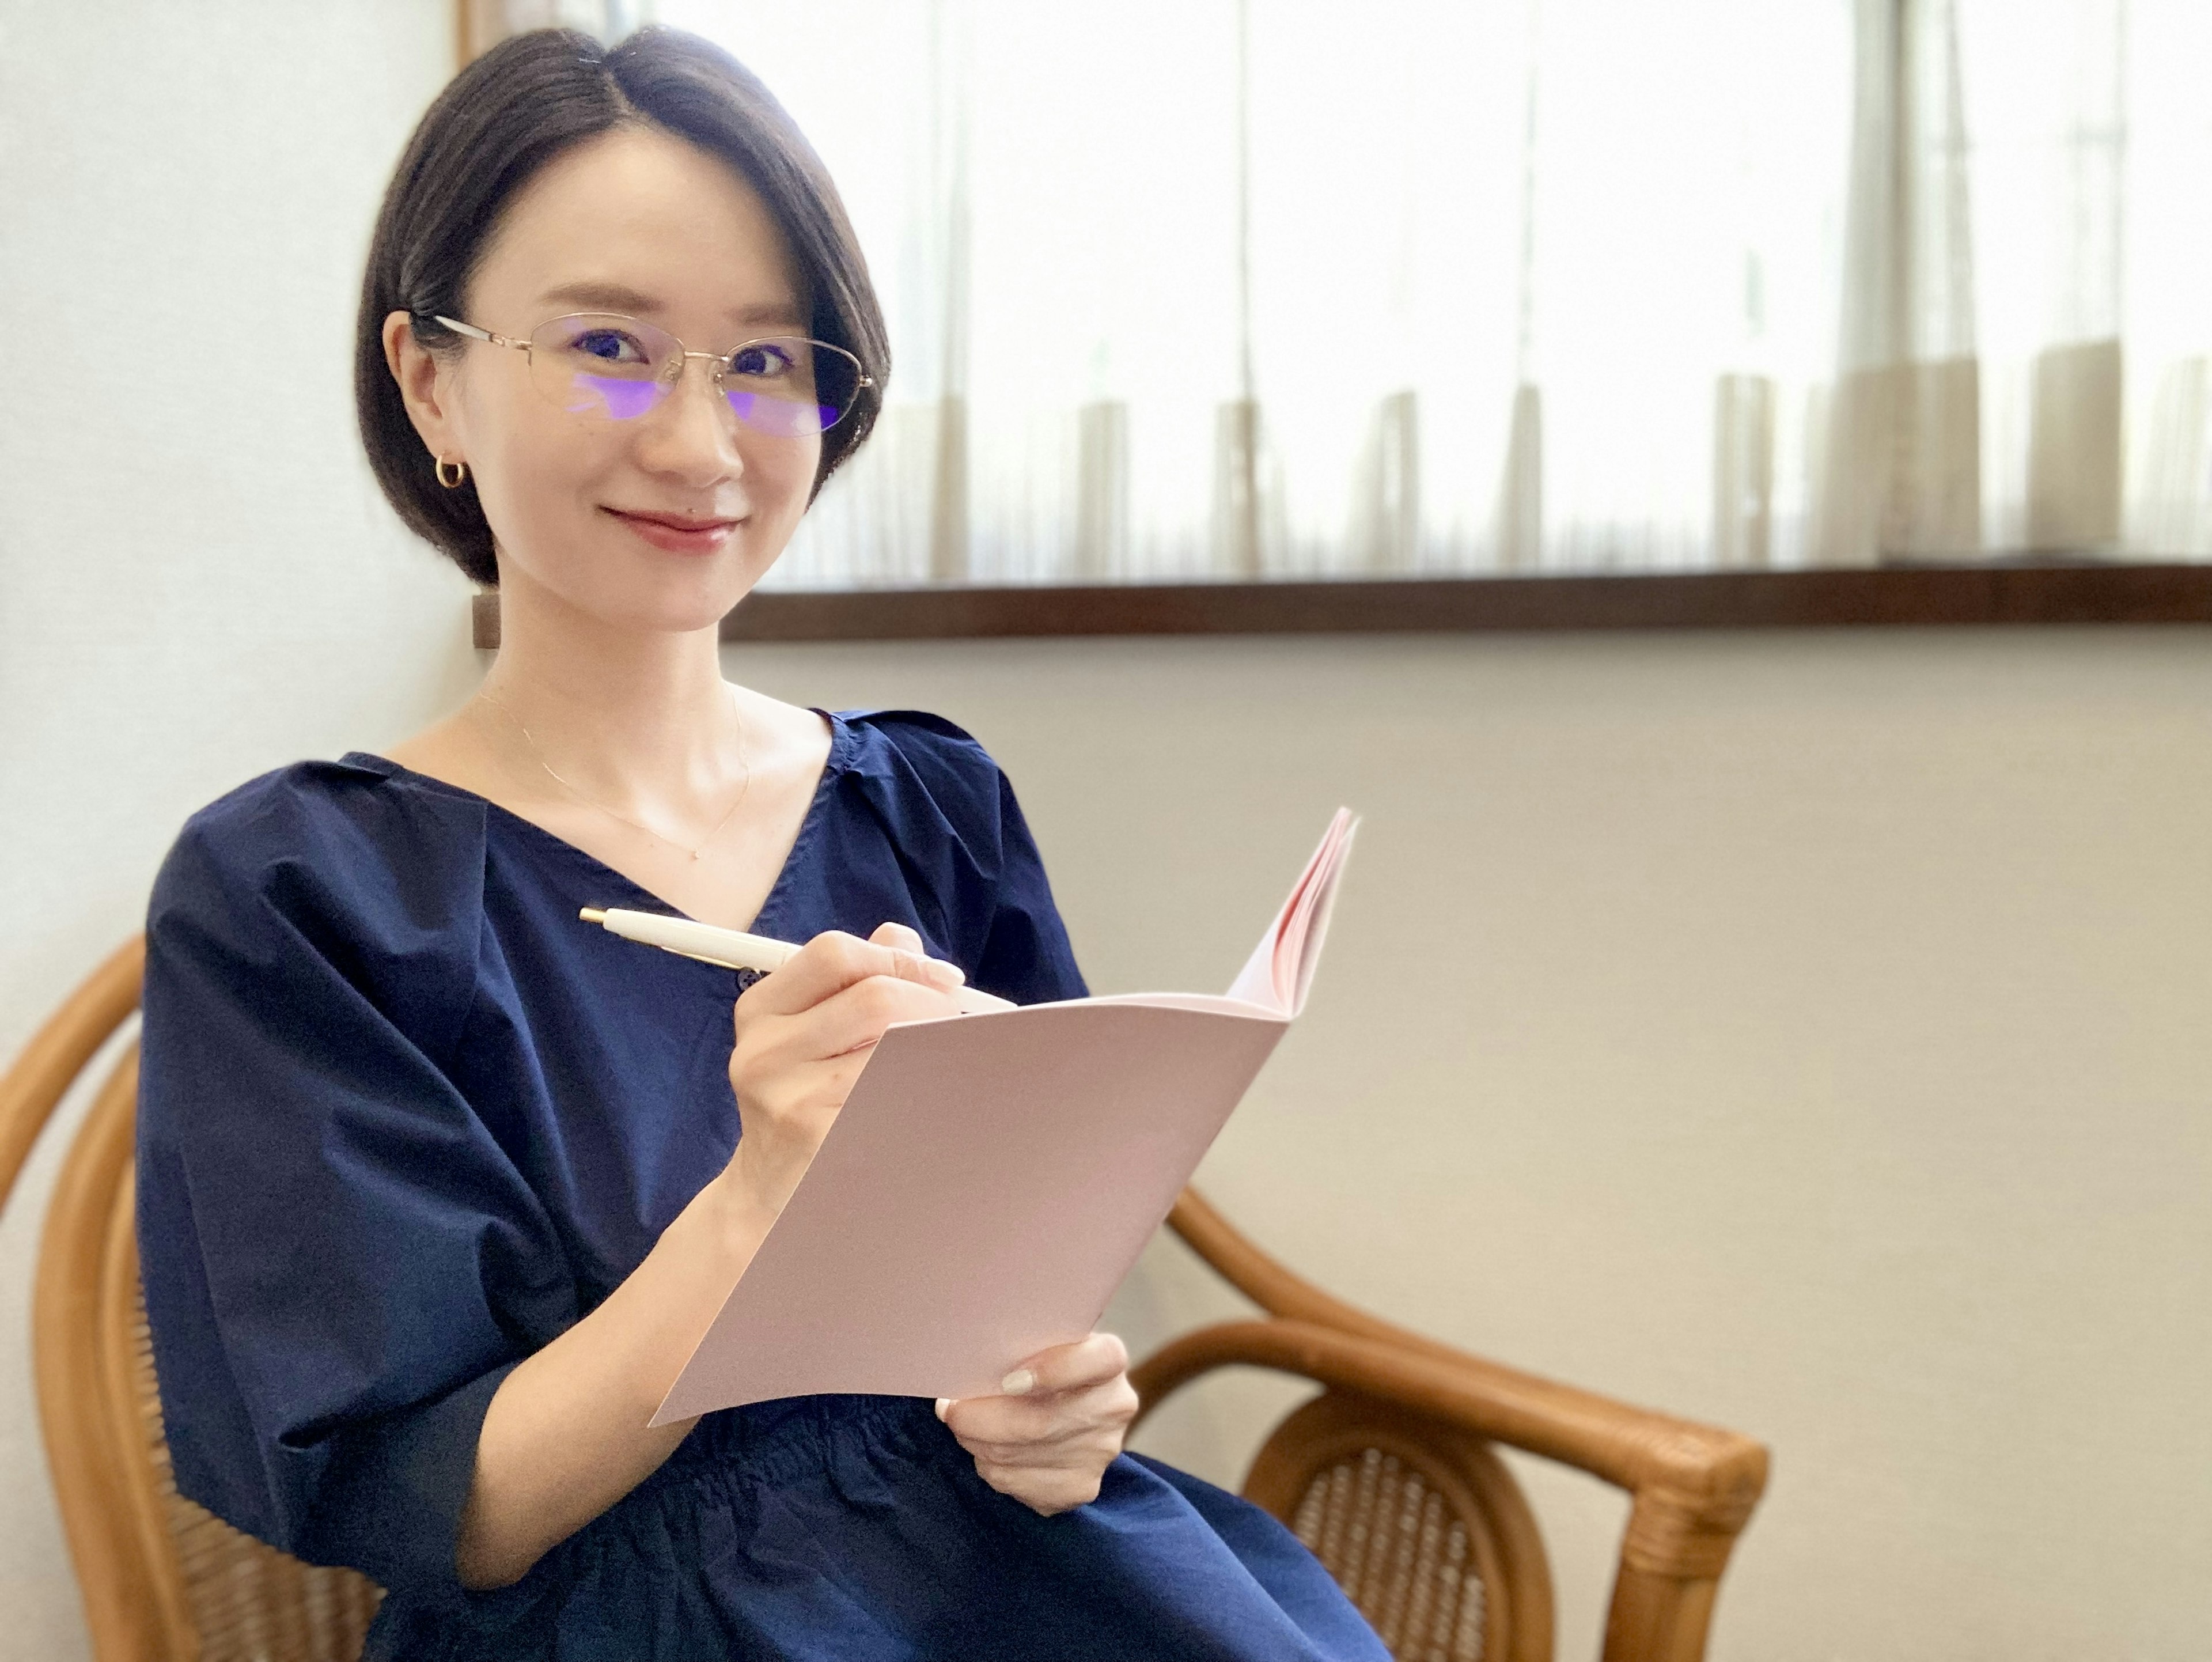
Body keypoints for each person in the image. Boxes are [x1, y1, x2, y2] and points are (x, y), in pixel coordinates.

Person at [132, 25, 1387, 1662]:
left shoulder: (927, 809)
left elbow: (1024, 1309)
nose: (699, 445)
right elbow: (463, 1511)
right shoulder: (303, 898)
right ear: (429, 375)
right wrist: (759, 1202)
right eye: (606, 344)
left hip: (1031, 1578)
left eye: (768, 361)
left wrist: (1064, 1415)